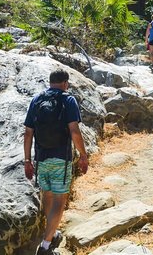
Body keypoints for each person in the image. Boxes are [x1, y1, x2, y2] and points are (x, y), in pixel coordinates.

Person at [24, 69, 89, 255]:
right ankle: (45, 246)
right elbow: (74, 131)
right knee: (60, 199)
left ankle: (52, 233)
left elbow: (28, 133)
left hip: (41, 157)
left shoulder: (37, 100)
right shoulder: (68, 100)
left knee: (48, 195)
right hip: (61, 157)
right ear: (65, 83)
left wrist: (27, 160)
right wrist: (83, 155)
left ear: (50, 82)